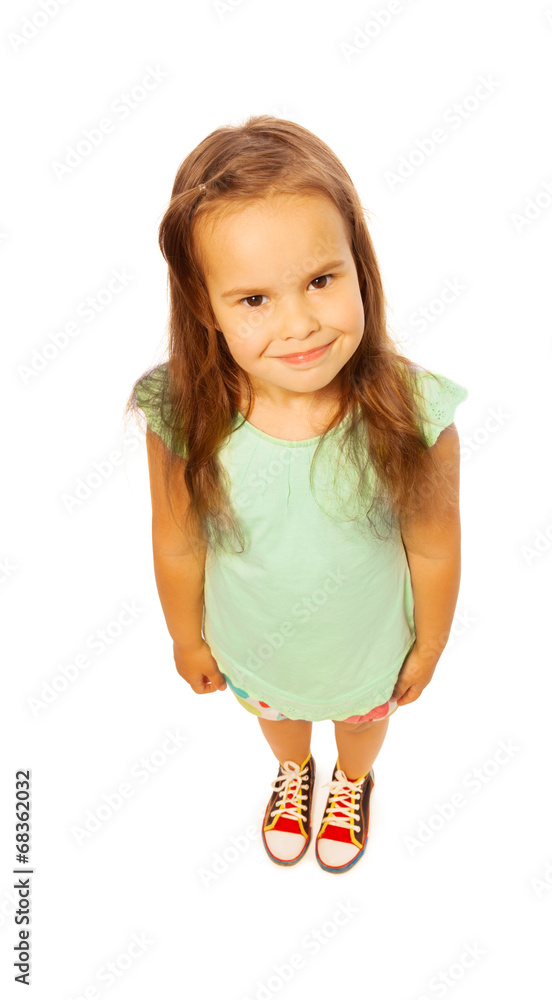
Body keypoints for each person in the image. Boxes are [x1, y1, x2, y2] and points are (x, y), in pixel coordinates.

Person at [126, 115, 468, 874]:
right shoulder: (185, 418)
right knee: (277, 719)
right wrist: (187, 638)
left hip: (367, 646)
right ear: (204, 304)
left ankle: (349, 780)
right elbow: (177, 538)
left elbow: (433, 541)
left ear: (358, 264)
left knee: (358, 724)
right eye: (253, 299)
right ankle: (292, 771)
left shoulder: (411, 415)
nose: (300, 323)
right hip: (254, 641)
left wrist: (432, 644)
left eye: (320, 280)